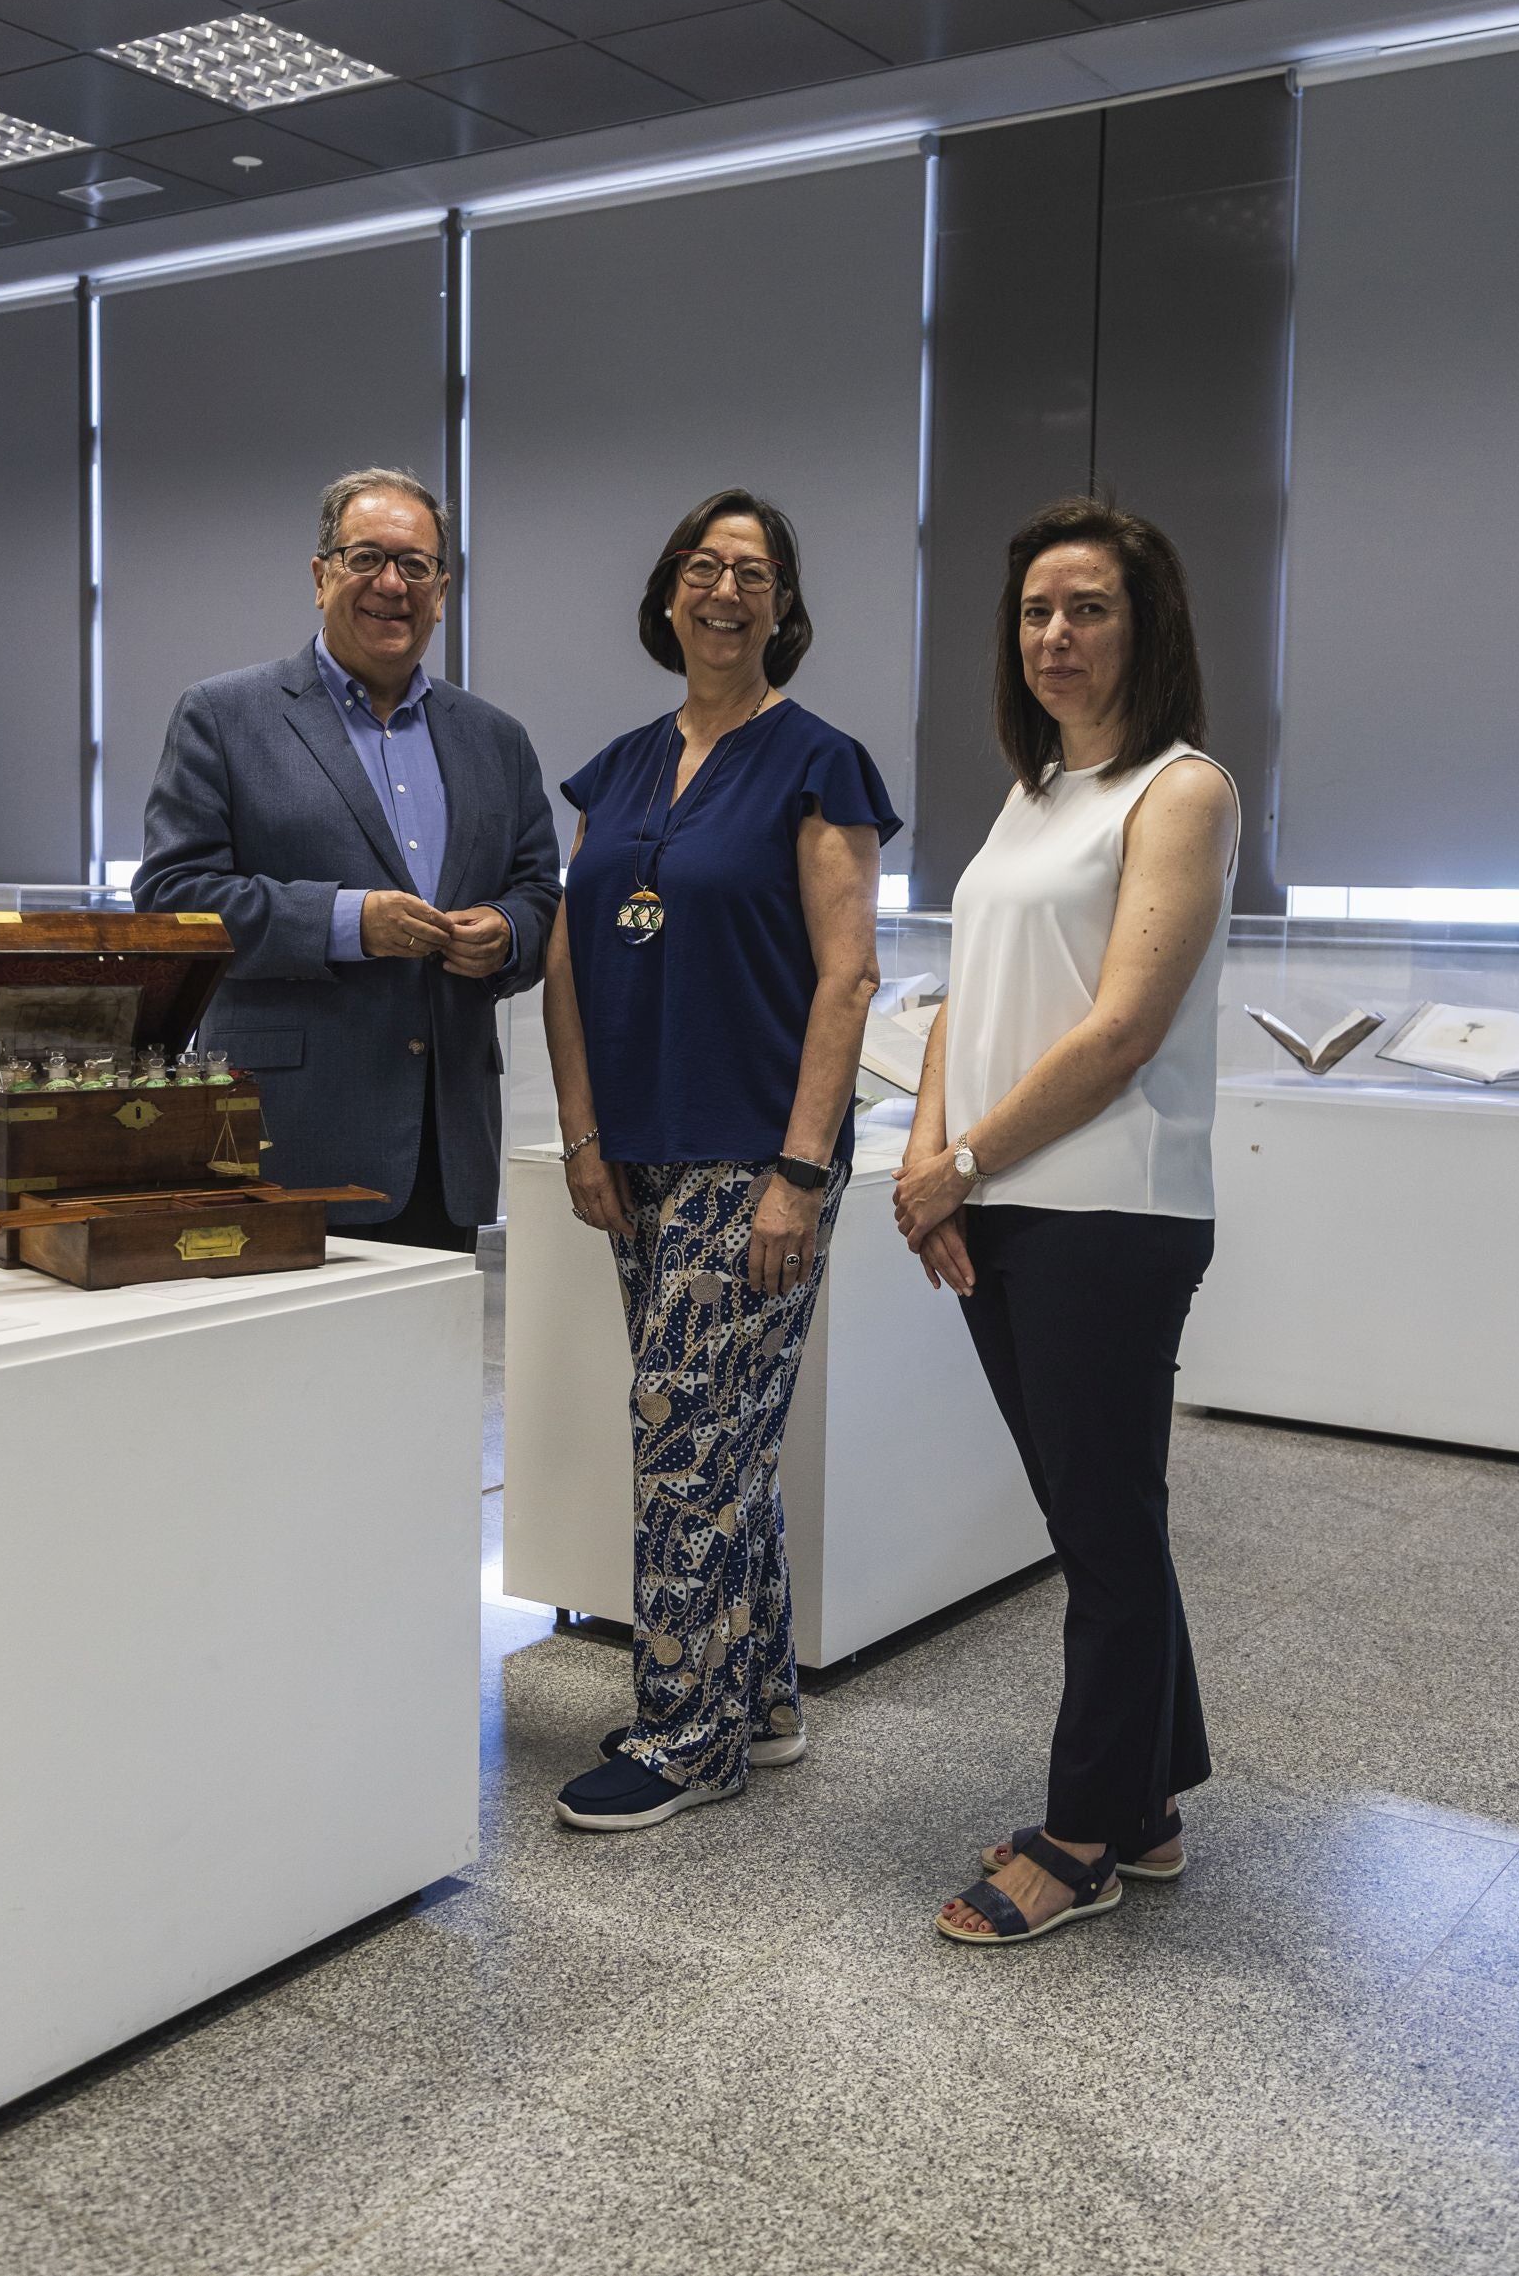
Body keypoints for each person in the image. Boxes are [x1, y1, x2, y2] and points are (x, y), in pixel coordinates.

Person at [891, 496, 1239, 1947]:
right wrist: (928, 1161)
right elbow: (968, 985)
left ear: (1141, 628)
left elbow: (1120, 1032)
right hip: (1002, 1202)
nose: (1056, 634)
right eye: (1036, 610)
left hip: (1106, 1209)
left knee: (1098, 1533)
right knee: (1101, 1520)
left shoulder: (1180, 790)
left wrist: (960, 1161)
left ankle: (1083, 1831)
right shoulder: (1033, 793)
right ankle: (1151, 1798)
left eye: (1087, 607)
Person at [544, 488, 901, 1831]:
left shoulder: (820, 763)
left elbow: (848, 978)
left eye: (754, 571)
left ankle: (684, 1732)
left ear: (782, 606)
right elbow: (571, 957)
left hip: (754, 1152)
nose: (726, 590)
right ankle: (756, 1698)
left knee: (683, 1436)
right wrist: (584, 1132)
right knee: (716, 1433)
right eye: (704, 565)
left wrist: (799, 1171)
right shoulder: (618, 767)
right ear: (669, 593)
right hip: (637, 1150)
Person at [135, 466, 559, 1249]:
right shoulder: (224, 717)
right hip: (285, 1141)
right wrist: (345, 921)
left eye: (416, 565)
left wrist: (505, 931)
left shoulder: (496, 738)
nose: (390, 583)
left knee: (431, 1373)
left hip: (444, 1141)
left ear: (442, 588)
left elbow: (539, 890)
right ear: (320, 573)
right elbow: (170, 899)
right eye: (365, 558)